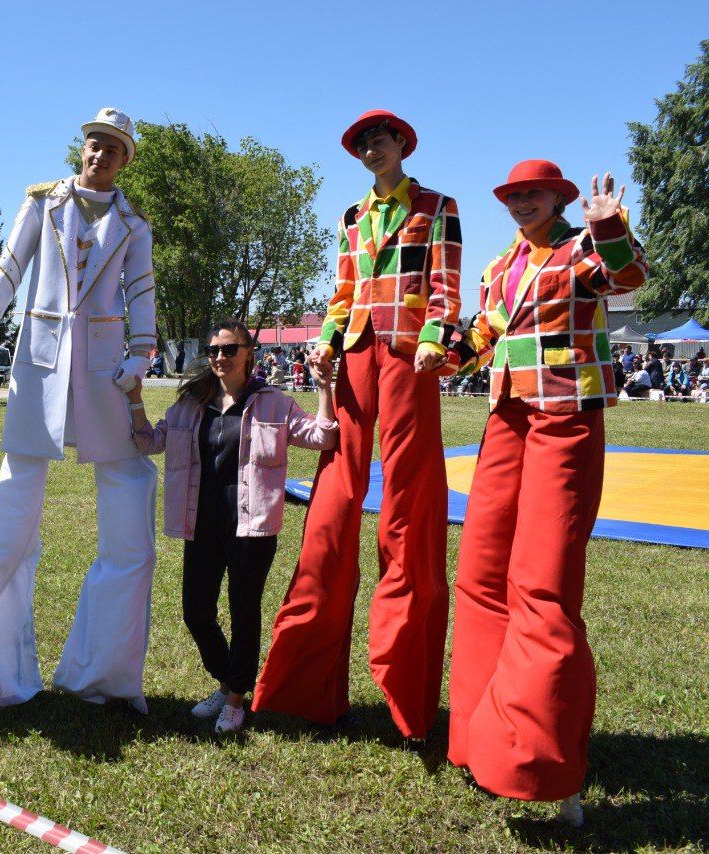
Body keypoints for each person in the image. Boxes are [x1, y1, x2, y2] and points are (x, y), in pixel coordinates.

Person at [254, 110, 461, 745]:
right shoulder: (350, 218)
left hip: (407, 359)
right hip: (355, 359)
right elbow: (342, 294)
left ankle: (408, 697)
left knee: (408, 505)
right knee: (333, 503)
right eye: (363, 143)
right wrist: (324, 342)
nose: (372, 149)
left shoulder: (437, 205)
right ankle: (305, 690)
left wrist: (432, 342)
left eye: (381, 139)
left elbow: (447, 290)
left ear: (403, 144)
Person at [446, 163, 645, 826]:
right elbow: (483, 336)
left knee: (544, 582)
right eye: (512, 196)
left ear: (559, 199)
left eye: (532, 194)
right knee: (479, 574)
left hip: (566, 416)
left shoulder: (581, 246)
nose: (521, 204)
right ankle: (485, 742)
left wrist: (609, 226)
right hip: (506, 416)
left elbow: (629, 277)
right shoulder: (503, 262)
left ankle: (550, 770)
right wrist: (435, 349)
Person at [0, 108, 159, 712]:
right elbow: (10, 268)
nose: (100, 156)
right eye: (94, 145)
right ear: (82, 147)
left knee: (126, 506)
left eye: (112, 151)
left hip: (103, 376)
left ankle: (105, 674)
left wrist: (140, 357)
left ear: (124, 162)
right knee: (15, 504)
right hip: (38, 366)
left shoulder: (133, 225)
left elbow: (140, 294)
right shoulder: (42, 202)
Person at [128, 320, 336, 733]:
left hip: (252, 526)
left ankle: (236, 700)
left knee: (244, 613)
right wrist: (135, 401)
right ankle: (231, 682)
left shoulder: (272, 402)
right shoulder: (191, 403)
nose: (219, 357)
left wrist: (325, 388)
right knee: (196, 612)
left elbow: (323, 437)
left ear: (248, 353)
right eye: (213, 351)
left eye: (228, 349)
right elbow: (148, 442)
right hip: (199, 522)